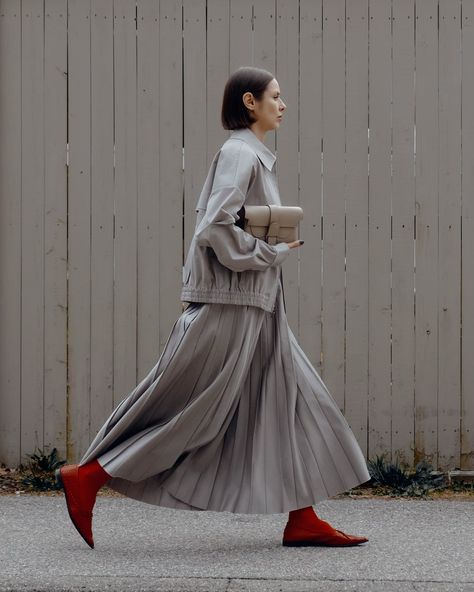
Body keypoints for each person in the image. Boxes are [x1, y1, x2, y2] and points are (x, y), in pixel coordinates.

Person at [56, 66, 371, 550]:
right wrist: (272, 253)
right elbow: (214, 228)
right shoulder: (239, 154)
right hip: (232, 304)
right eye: (276, 97)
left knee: (294, 405)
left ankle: (303, 516)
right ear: (250, 102)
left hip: (258, 305)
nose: (283, 105)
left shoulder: (254, 156)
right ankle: (89, 477)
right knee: (194, 410)